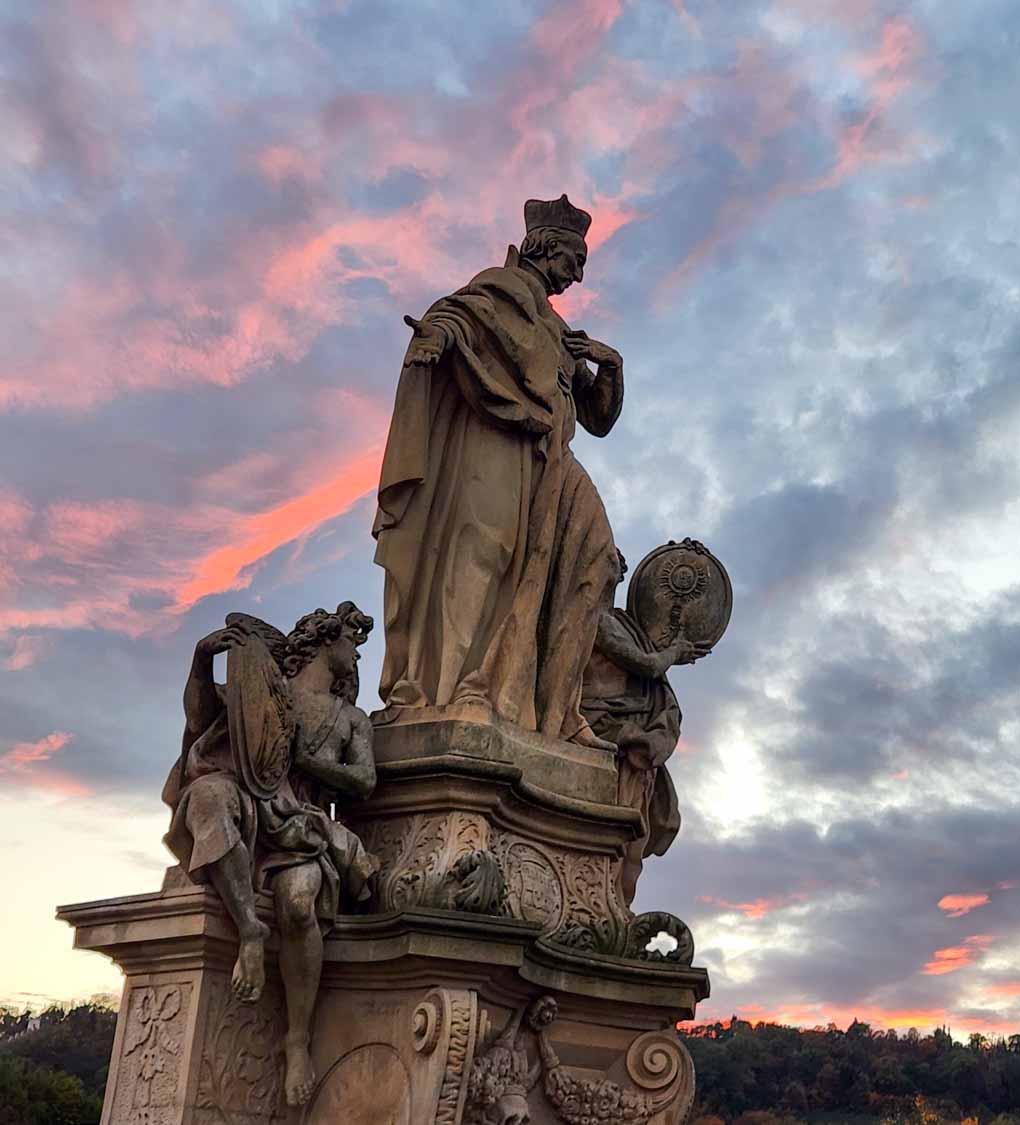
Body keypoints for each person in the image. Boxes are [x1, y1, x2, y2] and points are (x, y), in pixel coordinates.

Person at [373, 194, 624, 748]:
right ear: (543, 247)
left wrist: (610, 365)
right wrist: (437, 339)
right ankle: (467, 686)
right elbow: (452, 317)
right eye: (574, 261)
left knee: (594, 558)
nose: (578, 276)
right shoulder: (499, 290)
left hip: (553, 462)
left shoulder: (558, 332)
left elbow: (598, 416)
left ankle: (557, 708)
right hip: (499, 438)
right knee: (487, 550)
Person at [161, 602, 378, 1106]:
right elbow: (201, 715)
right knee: (210, 798)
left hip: (301, 822)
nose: (356, 657)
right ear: (326, 641)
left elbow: (364, 779)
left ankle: (297, 1040)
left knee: (300, 902)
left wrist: (309, 761)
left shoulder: (352, 720)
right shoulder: (266, 689)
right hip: (247, 798)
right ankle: (250, 932)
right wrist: (200, 661)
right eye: (352, 644)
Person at [581, 551, 710, 904]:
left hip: (633, 732)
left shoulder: (618, 621)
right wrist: (675, 651)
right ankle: (604, 906)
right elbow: (647, 665)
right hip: (608, 731)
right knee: (619, 835)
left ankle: (616, 910)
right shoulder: (595, 620)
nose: (615, 579)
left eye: (619, 573)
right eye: (612, 570)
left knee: (633, 841)